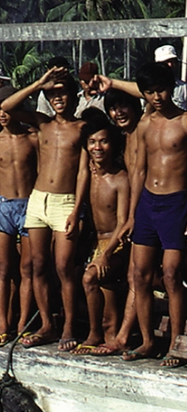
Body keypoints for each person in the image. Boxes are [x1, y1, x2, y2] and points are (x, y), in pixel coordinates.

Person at [1, 67, 89, 351]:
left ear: (72, 95)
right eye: (52, 94)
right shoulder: (43, 123)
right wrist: (40, 83)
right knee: (37, 265)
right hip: (38, 200)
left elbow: (83, 173)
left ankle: (68, 325)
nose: (57, 97)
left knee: (63, 266)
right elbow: (7, 106)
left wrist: (76, 210)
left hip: (65, 202)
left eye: (62, 92)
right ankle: (47, 325)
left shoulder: (82, 128)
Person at [122, 63, 187, 368]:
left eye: (161, 89)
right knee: (139, 275)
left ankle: (176, 343)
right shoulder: (144, 125)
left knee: (172, 275)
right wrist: (133, 213)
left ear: (172, 87)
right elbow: (137, 170)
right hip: (148, 202)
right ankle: (148, 341)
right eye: (149, 92)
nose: (156, 96)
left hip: (177, 203)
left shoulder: (185, 121)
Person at [0, 86, 38, 347]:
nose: (2, 113)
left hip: (29, 205)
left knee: (28, 269)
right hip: (3, 207)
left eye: (6, 107)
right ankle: (3, 323)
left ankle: (22, 323)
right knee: (3, 268)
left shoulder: (33, 138)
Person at [91, 90, 144, 356]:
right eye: (114, 108)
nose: (119, 112)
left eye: (125, 106)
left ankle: (126, 337)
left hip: (150, 210)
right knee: (131, 276)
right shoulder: (121, 139)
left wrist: (112, 82)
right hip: (135, 214)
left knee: (142, 276)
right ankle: (116, 334)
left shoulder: (145, 128)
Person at [72, 118, 129, 355]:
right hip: (95, 241)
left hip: (116, 243)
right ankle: (107, 334)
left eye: (104, 142)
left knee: (91, 278)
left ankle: (94, 333)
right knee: (102, 286)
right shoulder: (89, 175)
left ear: (113, 145)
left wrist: (105, 254)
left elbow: (123, 223)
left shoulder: (120, 178)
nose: (98, 147)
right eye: (93, 142)